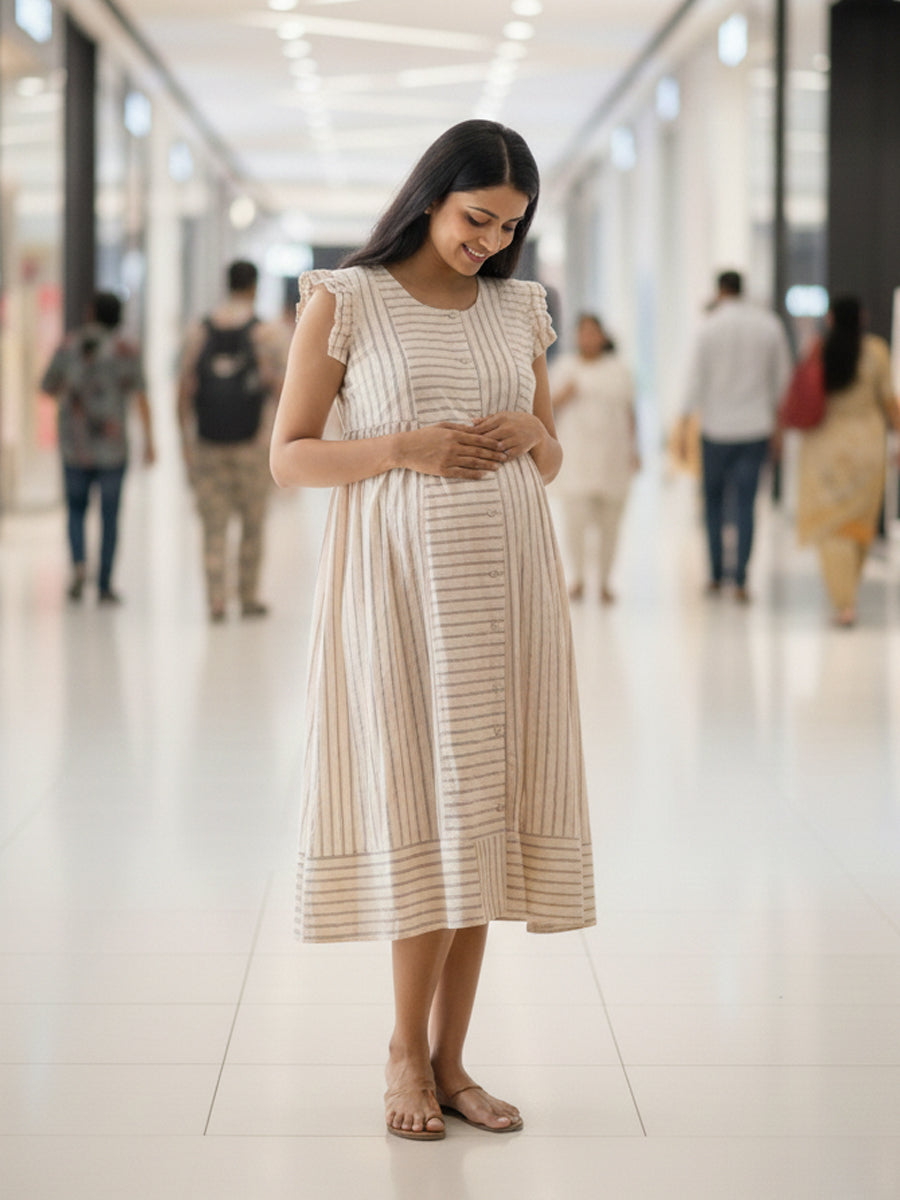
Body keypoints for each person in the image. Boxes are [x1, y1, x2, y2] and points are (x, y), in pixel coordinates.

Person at [270, 120, 595, 1141]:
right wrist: (401, 447)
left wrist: (539, 436)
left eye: (509, 226)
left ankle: (454, 1061)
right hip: (402, 590)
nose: (489, 242)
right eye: (475, 219)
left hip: (513, 591)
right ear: (429, 199)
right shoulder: (347, 298)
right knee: (431, 801)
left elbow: (547, 459)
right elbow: (291, 456)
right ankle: (404, 1051)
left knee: (487, 811)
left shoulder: (519, 310)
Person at [177, 260, 286, 622]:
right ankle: (249, 596)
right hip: (253, 446)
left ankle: (216, 600)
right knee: (253, 524)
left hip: (207, 443)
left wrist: (185, 442)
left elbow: (183, 391)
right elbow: (282, 393)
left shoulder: (199, 331)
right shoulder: (265, 334)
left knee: (213, 526)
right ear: (253, 287)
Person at [677, 270, 792, 602]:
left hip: (715, 429)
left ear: (720, 290)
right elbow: (781, 382)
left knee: (713, 504)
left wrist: (683, 429)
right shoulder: (769, 325)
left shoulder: (708, 328)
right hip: (756, 429)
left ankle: (715, 576)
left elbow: (693, 382)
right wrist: (780, 431)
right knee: (746, 504)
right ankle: (740, 579)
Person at [791, 296, 900, 626]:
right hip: (867, 445)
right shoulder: (877, 352)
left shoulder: (819, 349)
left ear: (831, 318)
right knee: (858, 524)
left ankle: (844, 602)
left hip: (826, 444)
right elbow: (889, 400)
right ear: (863, 317)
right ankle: (849, 589)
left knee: (832, 525)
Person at [40, 291, 156, 604]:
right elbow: (140, 396)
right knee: (109, 515)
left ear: (91, 313)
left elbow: (47, 386)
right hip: (112, 446)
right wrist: (150, 441)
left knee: (76, 511)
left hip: (74, 445)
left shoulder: (69, 344)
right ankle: (104, 583)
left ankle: (78, 565)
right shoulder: (126, 349)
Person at [551, 313, 640, 602]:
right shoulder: (565, 368)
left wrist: (634, 449)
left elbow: (630, 412)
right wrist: (564, 395)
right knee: (575, 523)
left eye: (593, 332)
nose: (588, 338)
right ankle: (576, 578)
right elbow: (544, 408)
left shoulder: (619, 370)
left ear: (602, 336)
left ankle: (603, 581)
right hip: (576, 458)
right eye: (583, 332)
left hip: (612, 457)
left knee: (610, 524)